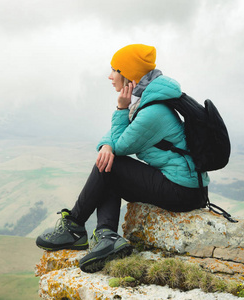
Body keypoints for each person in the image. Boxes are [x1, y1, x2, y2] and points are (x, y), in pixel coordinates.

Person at [35, 44, 209, 273]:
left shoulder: (152, 111)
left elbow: (122, 144)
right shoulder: (147, 100)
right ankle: (106, 236)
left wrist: (119, 110)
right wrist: (107, 144)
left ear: (130, 76)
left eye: (115, 70)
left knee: (110, 164)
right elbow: (116, 138)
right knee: (110, 165)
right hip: (184, 186)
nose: (110, 76)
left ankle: (75, 227)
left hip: (183, 191)